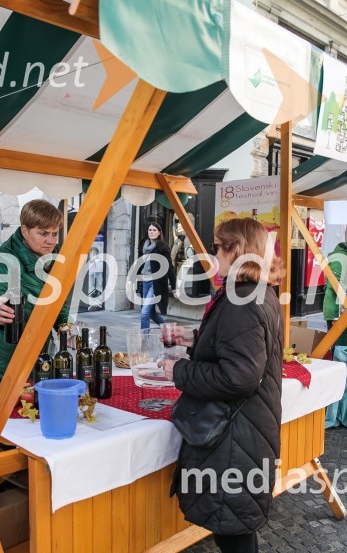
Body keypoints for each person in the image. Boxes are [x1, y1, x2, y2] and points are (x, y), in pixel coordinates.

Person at [161, 218, 283, 553]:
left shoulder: (242, 299)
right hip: (245, 429)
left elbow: (239, 376)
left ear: (236, 250)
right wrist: (194, 339)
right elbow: (237, 349)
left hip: (235, 434)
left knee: (234, 531)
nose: (214, 254)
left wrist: (180, 370)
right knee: (236, 528)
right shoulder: (255, 292)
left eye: (218, 247)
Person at [0, 200, 71, 387]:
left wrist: (66, 329)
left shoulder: (56, 259)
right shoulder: (3, 260)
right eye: (43, 233)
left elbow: (59, 303)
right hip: (0, 364)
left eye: (54, 234)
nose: (51, 241)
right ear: (25, 231)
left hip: (38, 359)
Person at [138, 222, 177, 330]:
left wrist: (174, 288)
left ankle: (144, 340)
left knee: (144, 313)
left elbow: (170, 268)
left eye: (154, 230)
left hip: (155, 283)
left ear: (159, 232)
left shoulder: (162, 248)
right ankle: (169, 330)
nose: (152, 232)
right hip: (144, 281)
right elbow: (139, 264)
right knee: (151, 313)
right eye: (150, 230)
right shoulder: (143, 246)